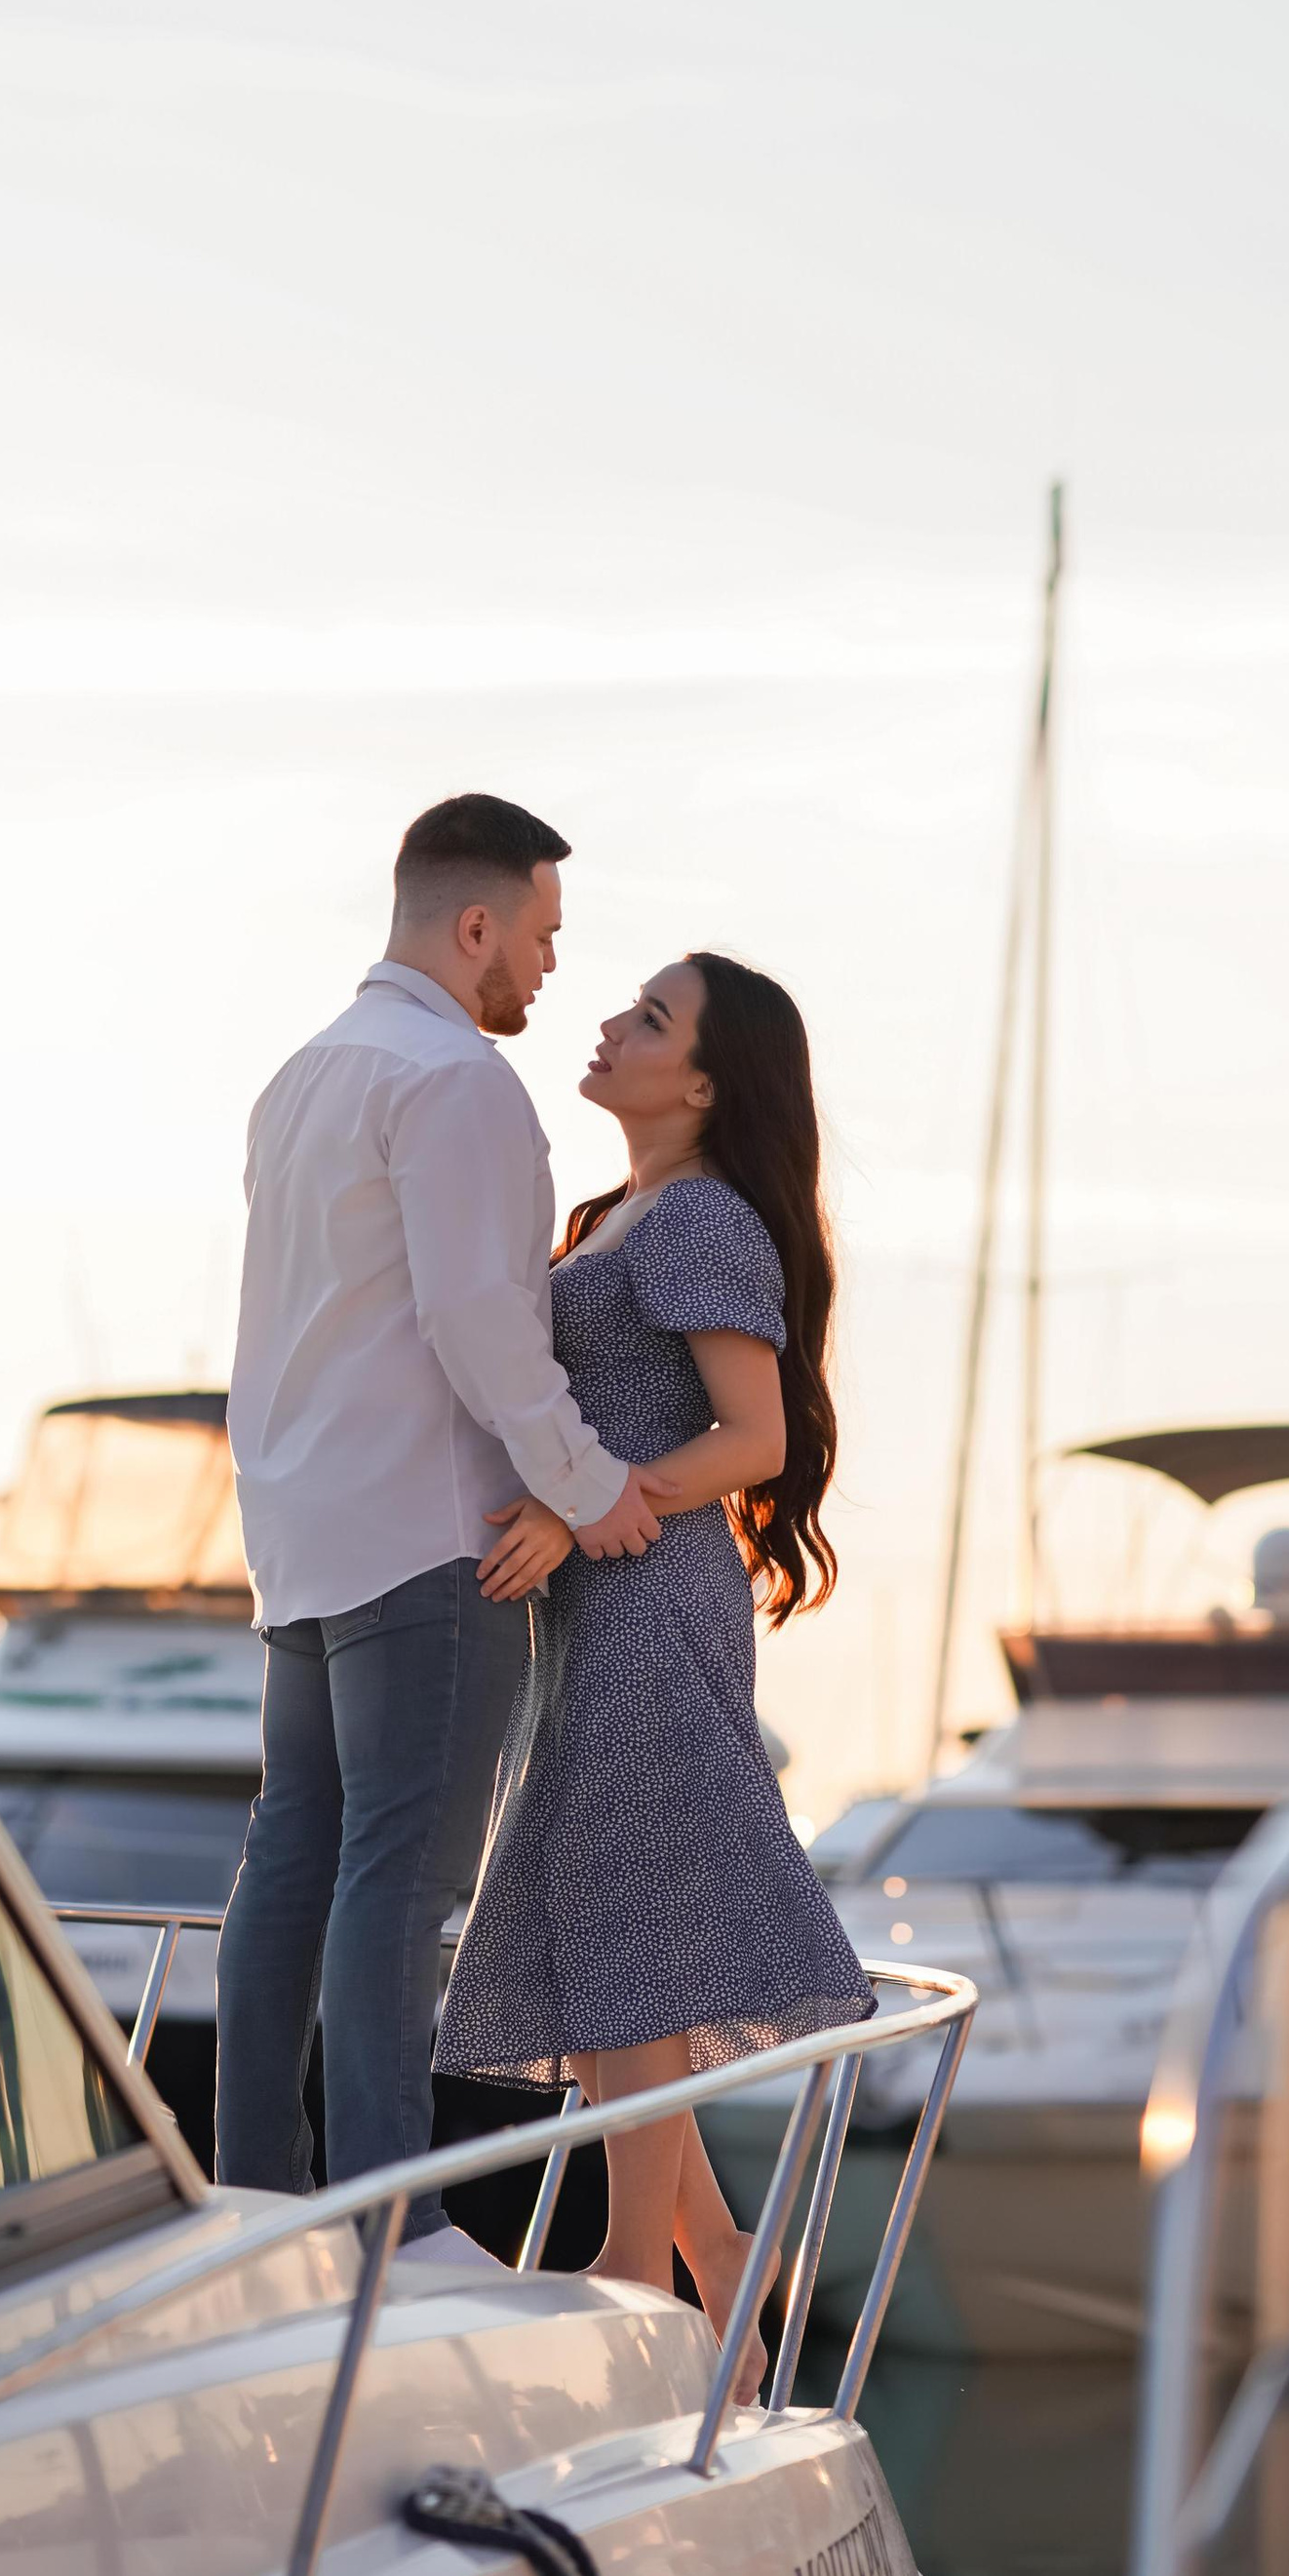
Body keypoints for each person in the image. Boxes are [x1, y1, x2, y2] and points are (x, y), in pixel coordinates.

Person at [217, 795, 663, 2255]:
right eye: (537, 938)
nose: (543, 972)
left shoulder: (301, 1077)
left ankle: (256, 2198)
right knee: (404, 1876)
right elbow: (480, 1318)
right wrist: (594, 1490)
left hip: (301, 1528)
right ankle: (389, 2232)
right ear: (471, 927)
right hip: (429, 1524)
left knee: (296, 1854)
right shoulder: (457, 1084)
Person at [436, 950, 873, 2359]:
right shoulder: (623, 1214)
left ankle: (638, 2272)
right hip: (604, 1597)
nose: (611, 1025)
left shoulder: (700, 1224)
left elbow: (761, 1439)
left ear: (701, 1079)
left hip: (646, 1592)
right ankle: (720, 2269)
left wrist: (581, 1512)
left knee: (631, 1923)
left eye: (649, 1018)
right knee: (610, 1911)